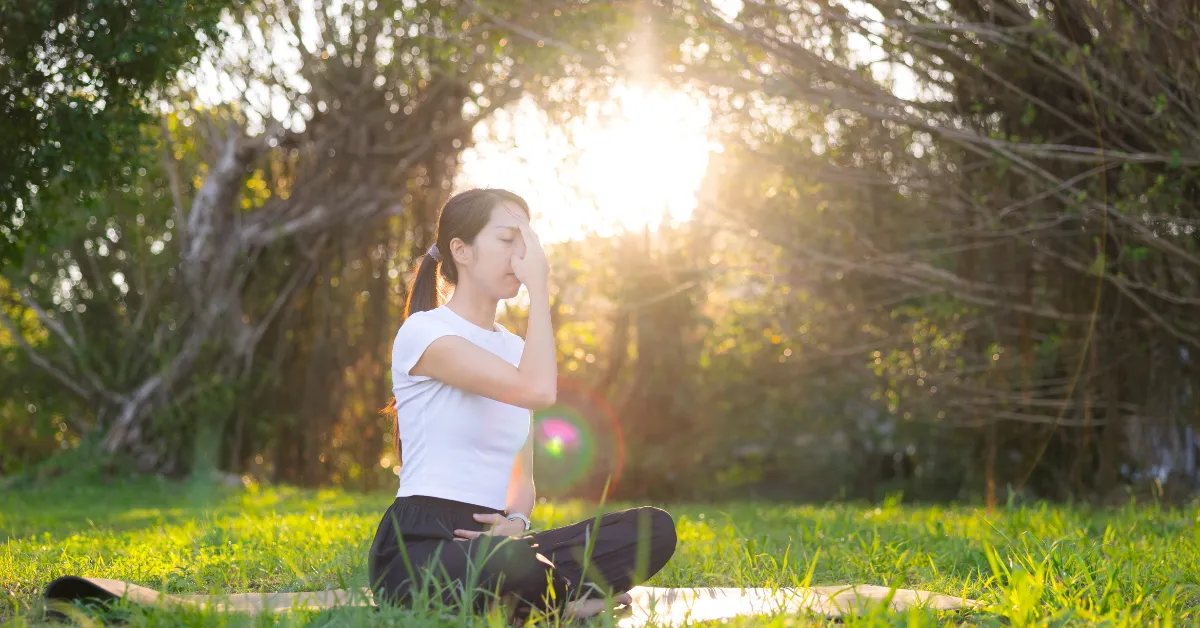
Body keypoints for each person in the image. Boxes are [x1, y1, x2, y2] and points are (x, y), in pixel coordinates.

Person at [367, 188, 678, 622]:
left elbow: (521, 477)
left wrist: (516, 520)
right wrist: (539, 285)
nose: (522, 253)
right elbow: (538, 391)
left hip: (500, 545)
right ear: (462, 250)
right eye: (507, 239)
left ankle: (536, 596)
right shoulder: (425, 333)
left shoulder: (515, 349)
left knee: (651, 529)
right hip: (420, 546)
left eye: (527, 240)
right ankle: (558, 603)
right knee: (514, 565)